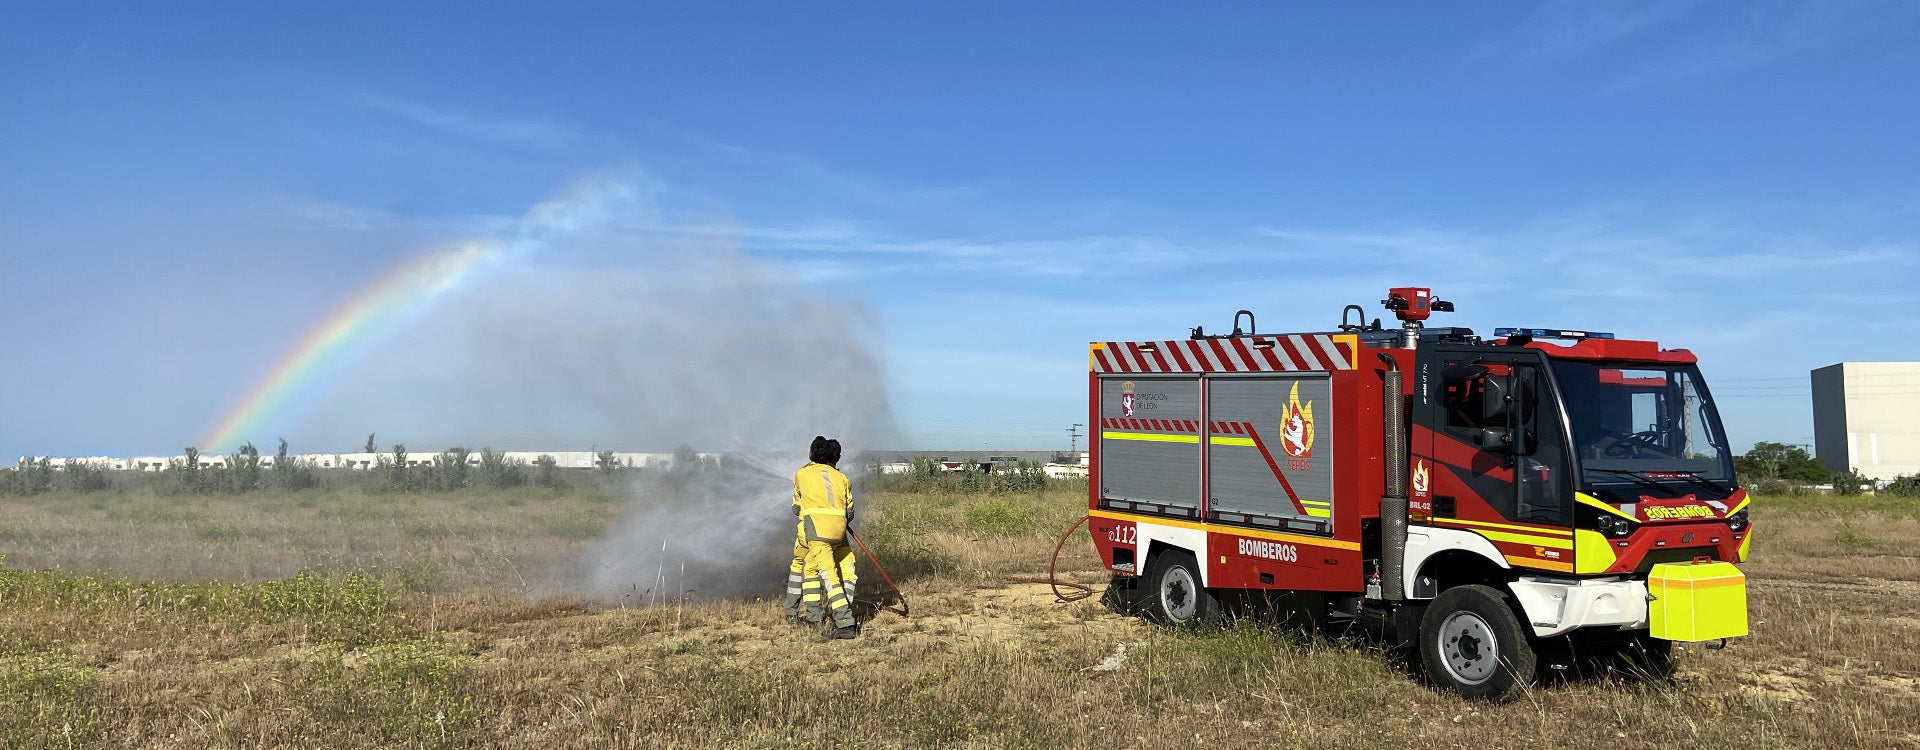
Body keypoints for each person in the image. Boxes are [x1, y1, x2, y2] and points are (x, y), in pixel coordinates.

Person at [788, 436, 859, 639]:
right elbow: (850, 512)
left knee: (829, 575)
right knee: (813, 567)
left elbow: (796, 507)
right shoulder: (842, 477)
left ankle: (845, 623)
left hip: (816, 532)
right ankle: (813, 618)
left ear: (811, 454)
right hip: (839, 531)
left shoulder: (801, 474)